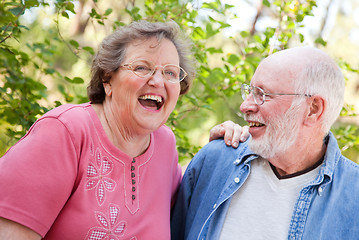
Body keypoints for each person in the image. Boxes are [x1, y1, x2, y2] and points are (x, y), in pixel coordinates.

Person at [0, 20, 248, 239]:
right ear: (108, 79)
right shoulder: (65, 131)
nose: (158, 81)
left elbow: (192, 216)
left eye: (170, 73)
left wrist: (221, 149)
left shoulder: (165, 145)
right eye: (142, 68)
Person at [171, 46, 359, 240]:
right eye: (250, 91)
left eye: (263, 94)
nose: (245, 106)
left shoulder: (354, 195)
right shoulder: (214, 160)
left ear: (313, 109)